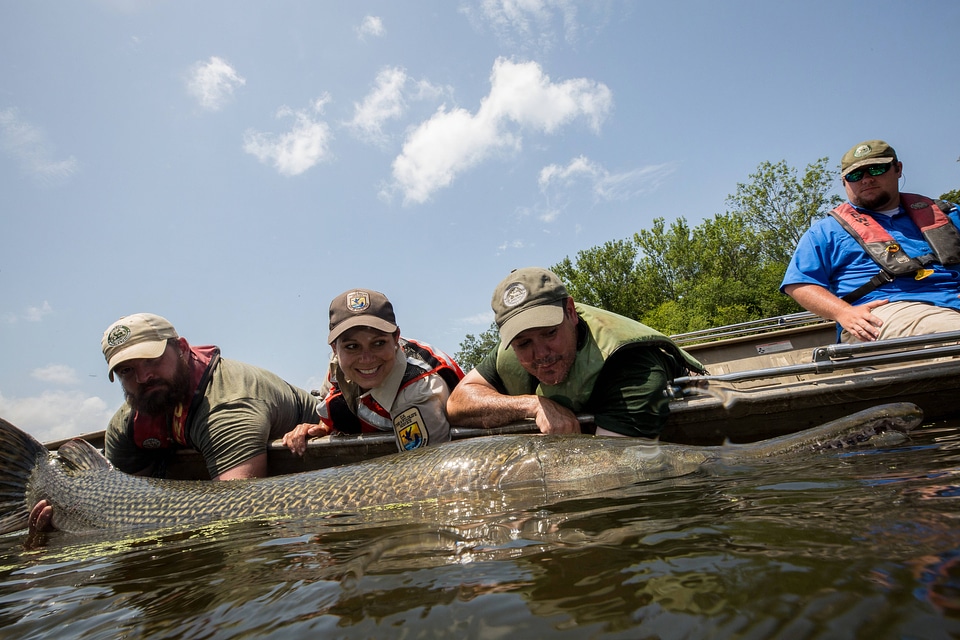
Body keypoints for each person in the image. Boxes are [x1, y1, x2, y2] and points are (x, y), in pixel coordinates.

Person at [28, 312, 321, 538]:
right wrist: (64, 523)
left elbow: (235, 516)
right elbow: (124, 503)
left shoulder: (229, 407)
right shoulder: (127, 423)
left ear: (181, 348)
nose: (143, 378)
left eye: (151, 361)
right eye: (126, 370)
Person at [445, 267, 705, 437]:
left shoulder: (633, 366)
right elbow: (458, 404)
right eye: (524, 343)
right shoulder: (510, 352)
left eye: (549, 333)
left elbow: (610, 469)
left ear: (570, 312)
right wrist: (533, 404)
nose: (541, 354)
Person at [781, 139, 960, 343]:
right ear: (844, 182)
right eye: (855, 175)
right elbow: (799, 284)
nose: (866, 179)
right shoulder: (826, 231)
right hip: (886, 313)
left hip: (953, 302)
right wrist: (843, 312)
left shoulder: (949, 214)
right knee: (950, 332)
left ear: (897, 169)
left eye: (876, 169)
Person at [282, 289, 464, 456]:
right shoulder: (338, 368)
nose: (366, 359)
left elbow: (425, 473)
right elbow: (332, 415)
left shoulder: (421, 390)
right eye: (352, 346)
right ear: (335, 349)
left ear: (396, 338)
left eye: (378, 343)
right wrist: (319, 430)